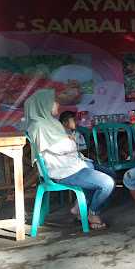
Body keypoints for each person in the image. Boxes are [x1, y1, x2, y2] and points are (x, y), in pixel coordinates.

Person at [25, 89, 114, 230]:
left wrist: (70, 142)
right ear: (44, 104)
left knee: (110, 173)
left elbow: (69, 144)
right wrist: (71, 142)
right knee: (107, 183)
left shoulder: (51, 123)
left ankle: (79, 209)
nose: (57, 105)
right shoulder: (39, 126)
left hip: (72, 165)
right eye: (54, 102)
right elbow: (63, 147)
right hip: (62, 171)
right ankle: (92, 212)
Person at [59, 110, 118, 180]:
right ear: (65, 123)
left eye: (76, 120)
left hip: (82, 161)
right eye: (74, 120)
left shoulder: (76, 134)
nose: (77, 122)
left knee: (111, 173)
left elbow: (83, 150)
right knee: (107, 175)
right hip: (72, 166)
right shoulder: (60, 136)